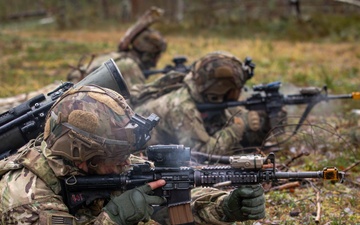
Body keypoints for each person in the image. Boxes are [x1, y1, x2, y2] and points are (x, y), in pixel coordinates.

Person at [0, 84, 265, 224]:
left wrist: (225, 207)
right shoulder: (24, 195)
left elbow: (172, 202)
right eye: (116, 159)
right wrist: (113, 219)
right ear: (82, 157)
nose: (127, 163)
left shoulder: (104, 168)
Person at [133, 51, 284, 156]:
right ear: (220, 89)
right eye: (236, 89)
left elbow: (246, 145)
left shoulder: (209, 99)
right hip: (139, 156)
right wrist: (237, 128)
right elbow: (199, 155)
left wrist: (264, 123)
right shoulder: (182, 107)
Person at [67, 6, 167, 90]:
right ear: (148, 55)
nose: (157, 60)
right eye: (157, 55)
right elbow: (136, 102)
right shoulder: (130, 66)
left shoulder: (116, 57)